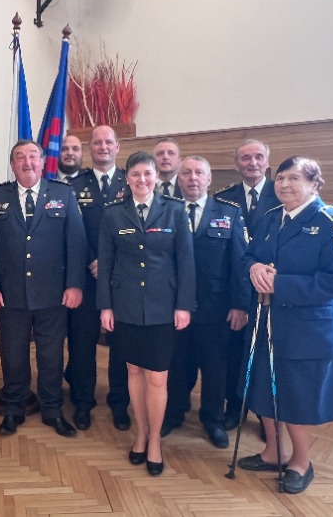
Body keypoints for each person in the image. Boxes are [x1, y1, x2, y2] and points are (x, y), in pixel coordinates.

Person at [238, 156, 333, 494]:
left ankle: (301, 462)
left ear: (314, 183)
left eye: (294, 178)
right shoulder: (270, 218)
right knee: (264, 388)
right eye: (280, 178)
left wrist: (280, 284)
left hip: (308, 329)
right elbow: (248, 255)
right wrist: (253, 268)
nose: (285, 184)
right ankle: (273, 452)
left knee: (297, 397)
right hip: (268, 322)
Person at [0, 139, 87, 438]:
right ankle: (14, 407)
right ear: (12, 165)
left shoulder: (63, 194)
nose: (27, 162)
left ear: (42, 162)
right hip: (10, 294)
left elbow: (76, 244)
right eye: (20, 157)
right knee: (13, 355)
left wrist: (74, 284)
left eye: (32, 157)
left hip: (53, 293)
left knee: (51, 356)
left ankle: (52, 409)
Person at [97, 151, 195, 476]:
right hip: (125, 306)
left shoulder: (175, 211)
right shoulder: (112, 214)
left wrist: (183, 305)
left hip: (162, 307)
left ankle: (155, 441)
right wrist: (105, 306)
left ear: (156, 177)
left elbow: (186, 262)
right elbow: (106, 263)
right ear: (127, 178)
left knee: (157, 377)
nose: (142, 180)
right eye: (136, 174)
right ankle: (140, 434)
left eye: (147, 174)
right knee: (134, 372)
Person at [163, 156, 248, 448]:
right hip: (174, 306)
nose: (192, 178)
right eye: (186, 173)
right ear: (179, 179)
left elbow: (239, 262)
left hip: (215, 308)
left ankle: (213, 419)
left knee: (215, 368)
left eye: (199, 173)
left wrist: (240, 305)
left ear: (209, 179)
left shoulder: (229, 212)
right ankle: (173, 412)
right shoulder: (166, 211)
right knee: (177, 364)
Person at [214, 138, 280, 430]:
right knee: (232, 351)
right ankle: (234, 405)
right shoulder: (223, 198)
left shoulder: (283, 196)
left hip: (271, 292)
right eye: (245, 158)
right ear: (236, 164)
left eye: (258, 157)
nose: (252, 162)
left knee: (267, 355)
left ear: (267, 161)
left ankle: (266, 415)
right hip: (234, 290)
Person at [67, 125, 129, 431]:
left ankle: (119, 402)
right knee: (82, 344)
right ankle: (82, 401)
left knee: (121, 345)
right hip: (86, 278)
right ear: (89, 148)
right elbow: (72, 232)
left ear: (117, 147)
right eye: (97, 142)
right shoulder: (73, 186)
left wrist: (110, 264)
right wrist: (93, 260)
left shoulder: (131, 182)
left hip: (121, 281)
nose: (103, 147)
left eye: (108, 142)